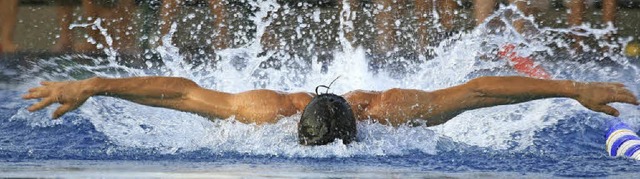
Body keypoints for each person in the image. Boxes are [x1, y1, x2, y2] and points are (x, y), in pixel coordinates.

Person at [22, 76, 639, 145]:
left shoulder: (390, 110)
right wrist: (96, 85)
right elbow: (181, 93)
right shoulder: (262, 111)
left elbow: (477, 92)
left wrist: (569, 88)